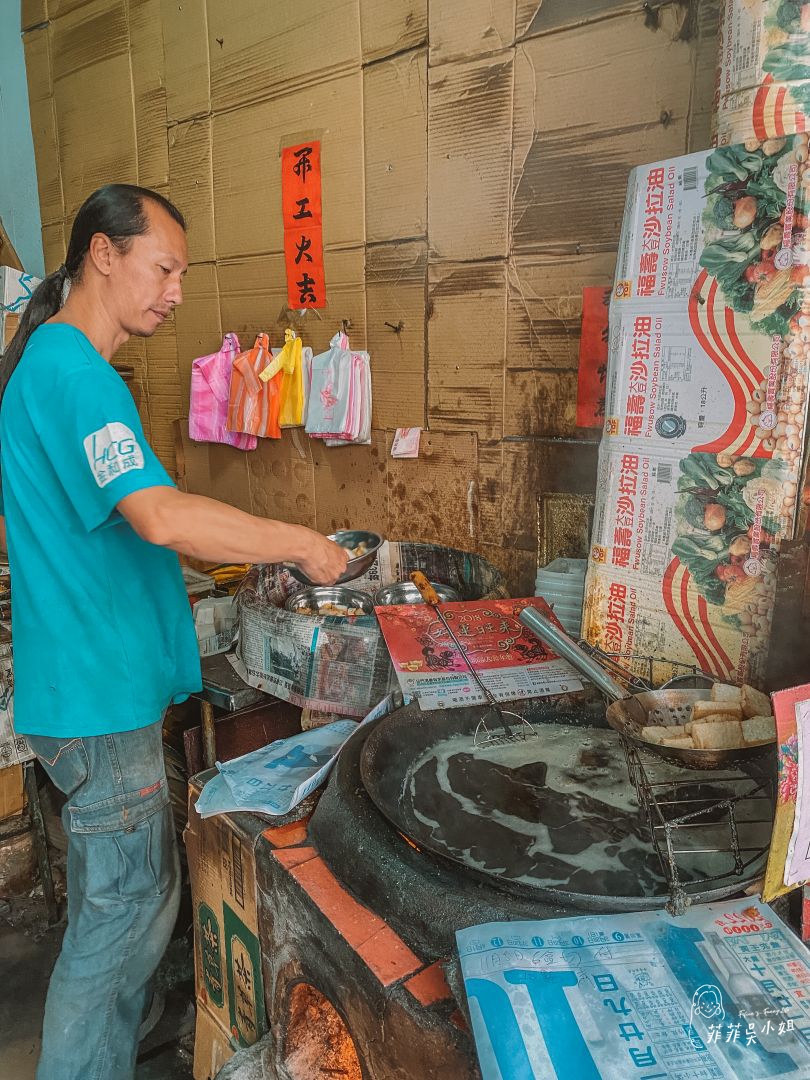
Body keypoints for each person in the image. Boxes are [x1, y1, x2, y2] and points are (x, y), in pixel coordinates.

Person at [0, 183, 348, 1080]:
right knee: (119, 915)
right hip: (95, 693)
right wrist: (303, 544)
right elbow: (158, 515)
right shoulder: (74, 372)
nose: (176, 291)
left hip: (85, 683)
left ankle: (131, 1043)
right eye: (165, 269)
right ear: (103, 255)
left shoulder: (49, 364)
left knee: (132, 901)